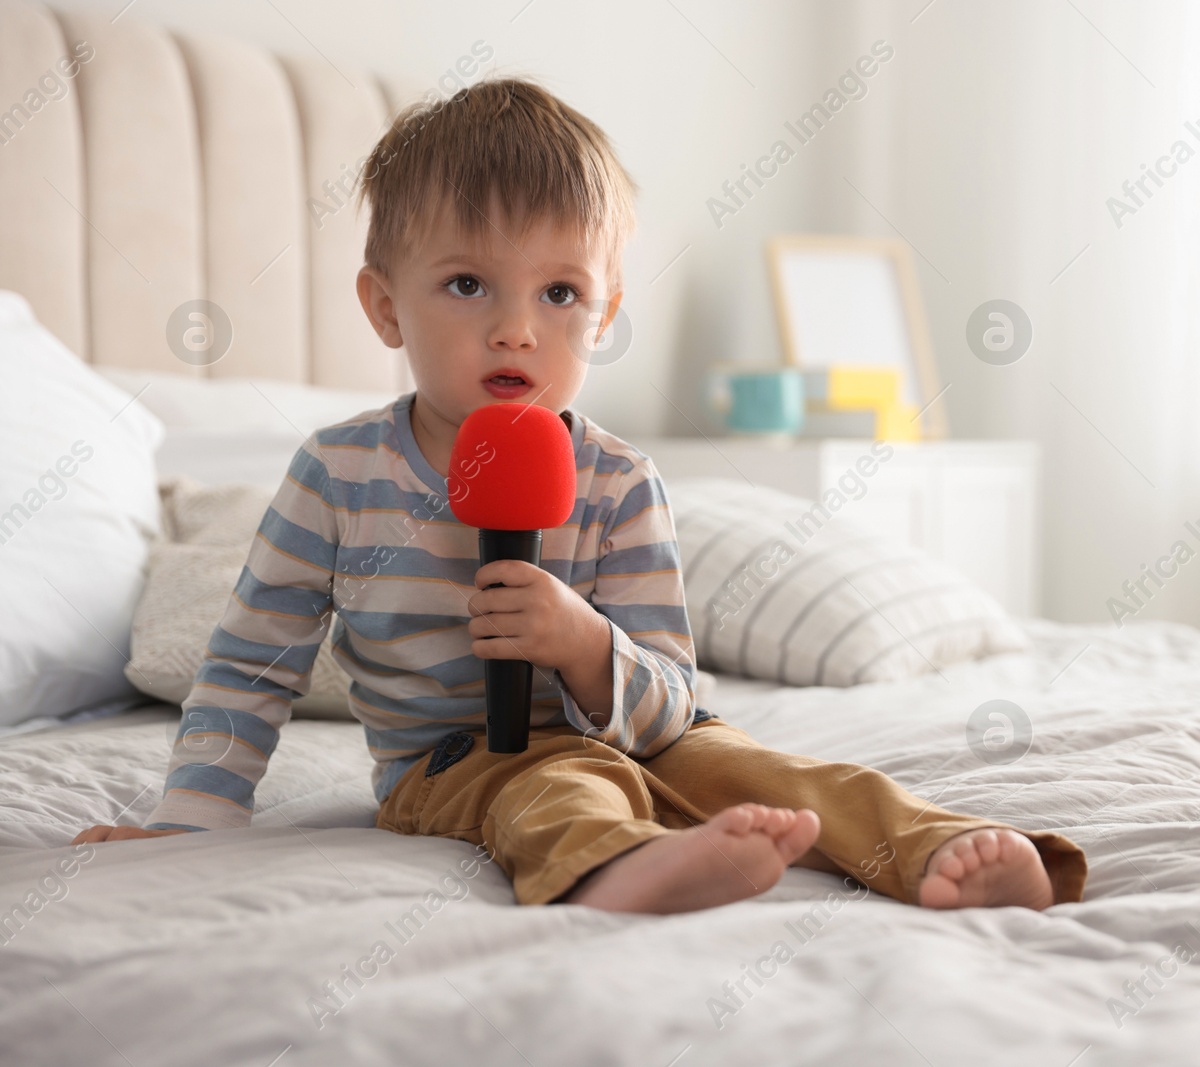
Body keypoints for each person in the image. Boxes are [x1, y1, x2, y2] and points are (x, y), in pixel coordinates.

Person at [74, 76, 1086, 914]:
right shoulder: (337, 475)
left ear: (602, 315)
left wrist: (582, 641)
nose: (518, 329)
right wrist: (192, 819)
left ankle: (945, 851)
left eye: (559, 293)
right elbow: (251, 663)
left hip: (633, 725)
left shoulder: (616, 480)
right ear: (385, 305)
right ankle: (615, 866)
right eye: (469, 284)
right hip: (456, 758)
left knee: (777, 770)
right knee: (557, 785)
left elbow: (672, 699)